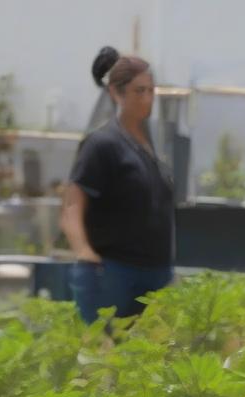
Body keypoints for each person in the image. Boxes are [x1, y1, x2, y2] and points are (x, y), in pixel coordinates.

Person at [61, 47, 175, 324]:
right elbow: (73, 203)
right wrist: (84, 251)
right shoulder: (103, 144)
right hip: (114, 272)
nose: (147, 98)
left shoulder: (149, 146)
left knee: (146, 359)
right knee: (104, 358)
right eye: (139, 91)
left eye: (150, 91)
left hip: (153, 272)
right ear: (115, 93)